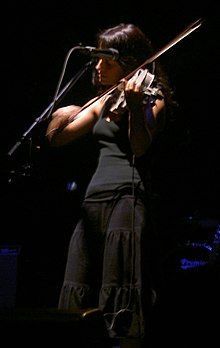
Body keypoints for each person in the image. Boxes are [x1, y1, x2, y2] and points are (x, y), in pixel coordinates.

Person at [45, 23, 176, 347]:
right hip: (93, 199)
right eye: (98, 60)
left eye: (108, 60)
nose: (99, 67)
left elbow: (140, 147)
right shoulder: (104, 100)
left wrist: (133, 107)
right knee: (77, 279)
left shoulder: (150, 96)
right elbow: (56, 137)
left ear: (129, 61)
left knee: (120, 282)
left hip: (127, 197)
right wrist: (66, 110)